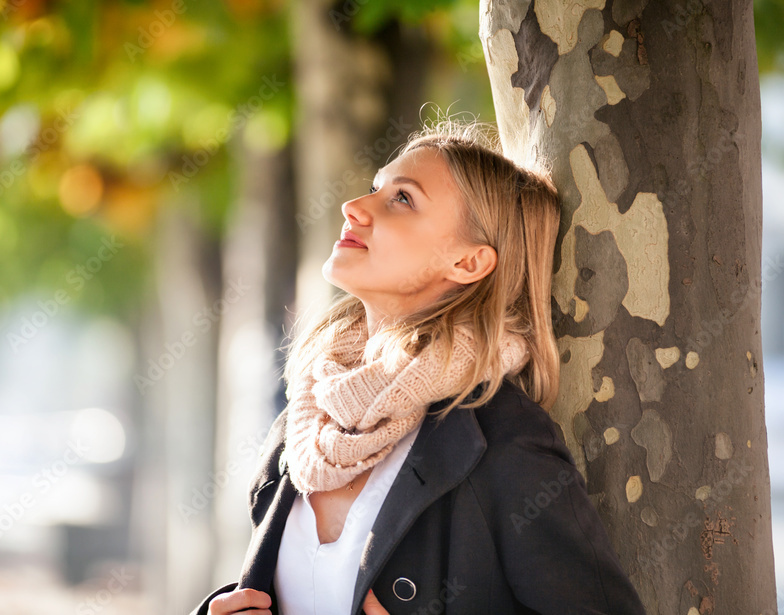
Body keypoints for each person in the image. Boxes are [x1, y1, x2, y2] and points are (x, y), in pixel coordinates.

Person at [188, 118, 647, 614]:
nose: (353, 207)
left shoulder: (503, 442)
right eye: (374, 189)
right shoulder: (304, 424)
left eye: (402, 199)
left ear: (469, 263)